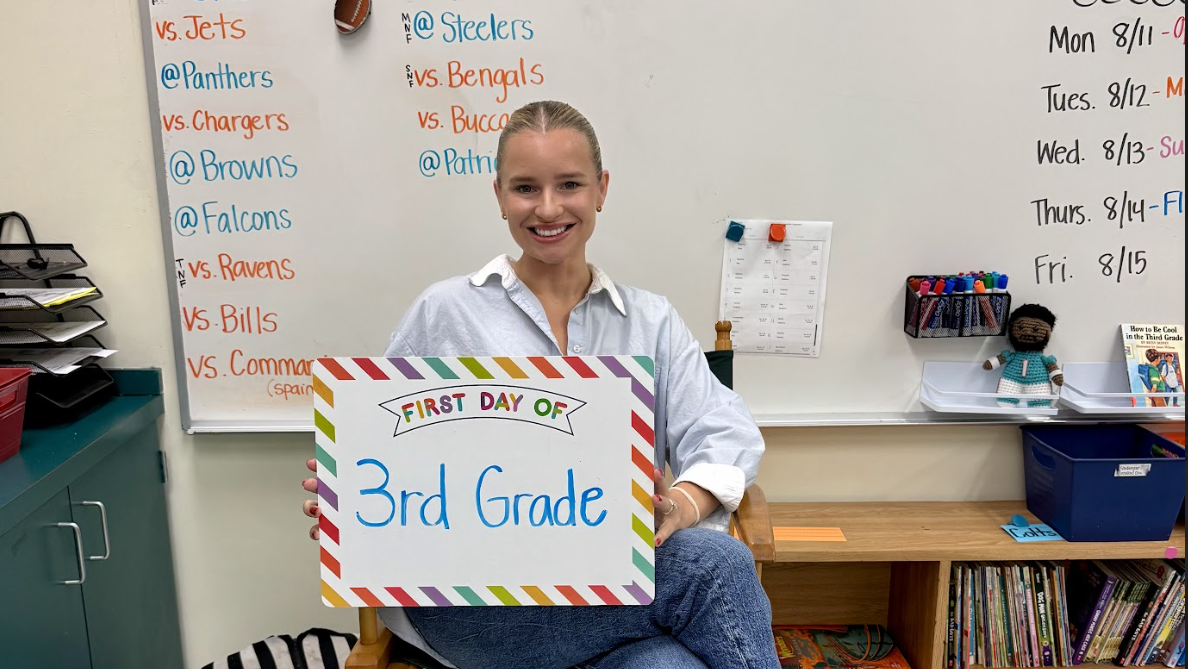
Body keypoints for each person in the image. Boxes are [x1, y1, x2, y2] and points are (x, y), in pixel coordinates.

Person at [301, 100, 777, 669]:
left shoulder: (651, 322)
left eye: (569, 184)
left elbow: (726, 435)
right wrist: (348, 494)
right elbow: (381, 439)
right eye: (526, 188)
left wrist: (681, 503)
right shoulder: (444, 312)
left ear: (601, 189)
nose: (548, 208)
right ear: (499, 195)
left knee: (670, 665)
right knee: (714, 566)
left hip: (615, 595)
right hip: (476, 607)